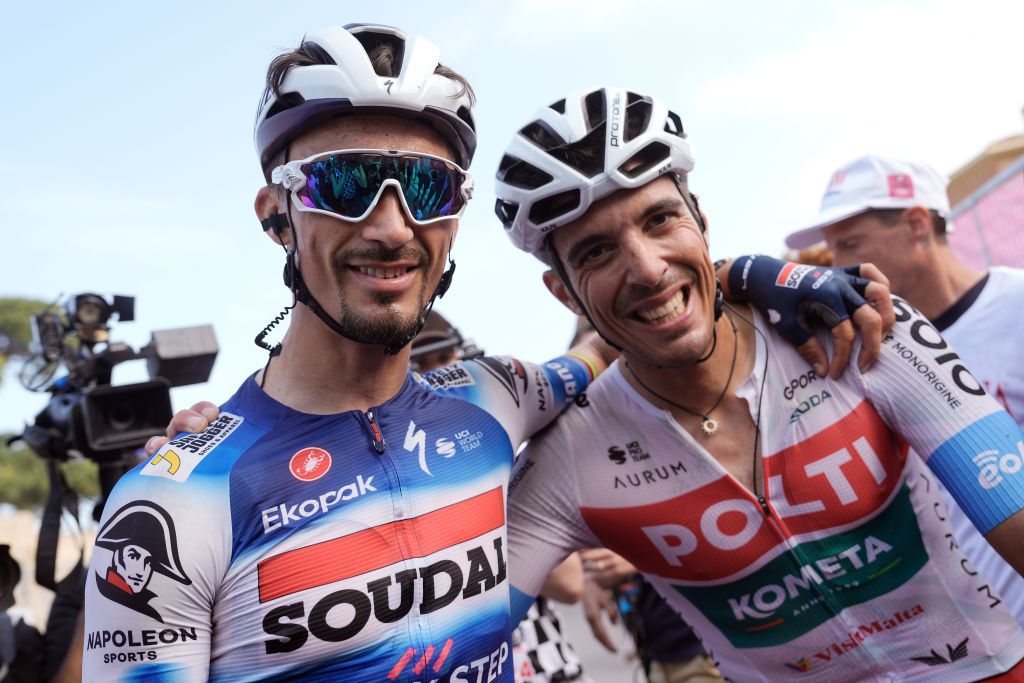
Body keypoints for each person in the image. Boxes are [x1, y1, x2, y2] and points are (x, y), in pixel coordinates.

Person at [111, 27, 889, 680]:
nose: (392, 226)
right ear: (277, 215)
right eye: (344, 182)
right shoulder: (175, 502)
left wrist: (763, 276)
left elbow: (625, 321)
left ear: (454, 219)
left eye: (428, 187)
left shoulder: (495, 395)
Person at [498, 88, 1024, 682]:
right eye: (596, 251)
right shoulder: (569, 452)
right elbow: (445, 640)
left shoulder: (859, 332)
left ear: (701, 220)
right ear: (563, 292)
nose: (646, 268)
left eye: (660, 219)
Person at [786, 155, 1024, 626]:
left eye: (850, 245)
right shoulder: (862, 350)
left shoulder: (1015, 306)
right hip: (965, 647)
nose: (838, 267)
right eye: (832, 250)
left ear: (916, 224)